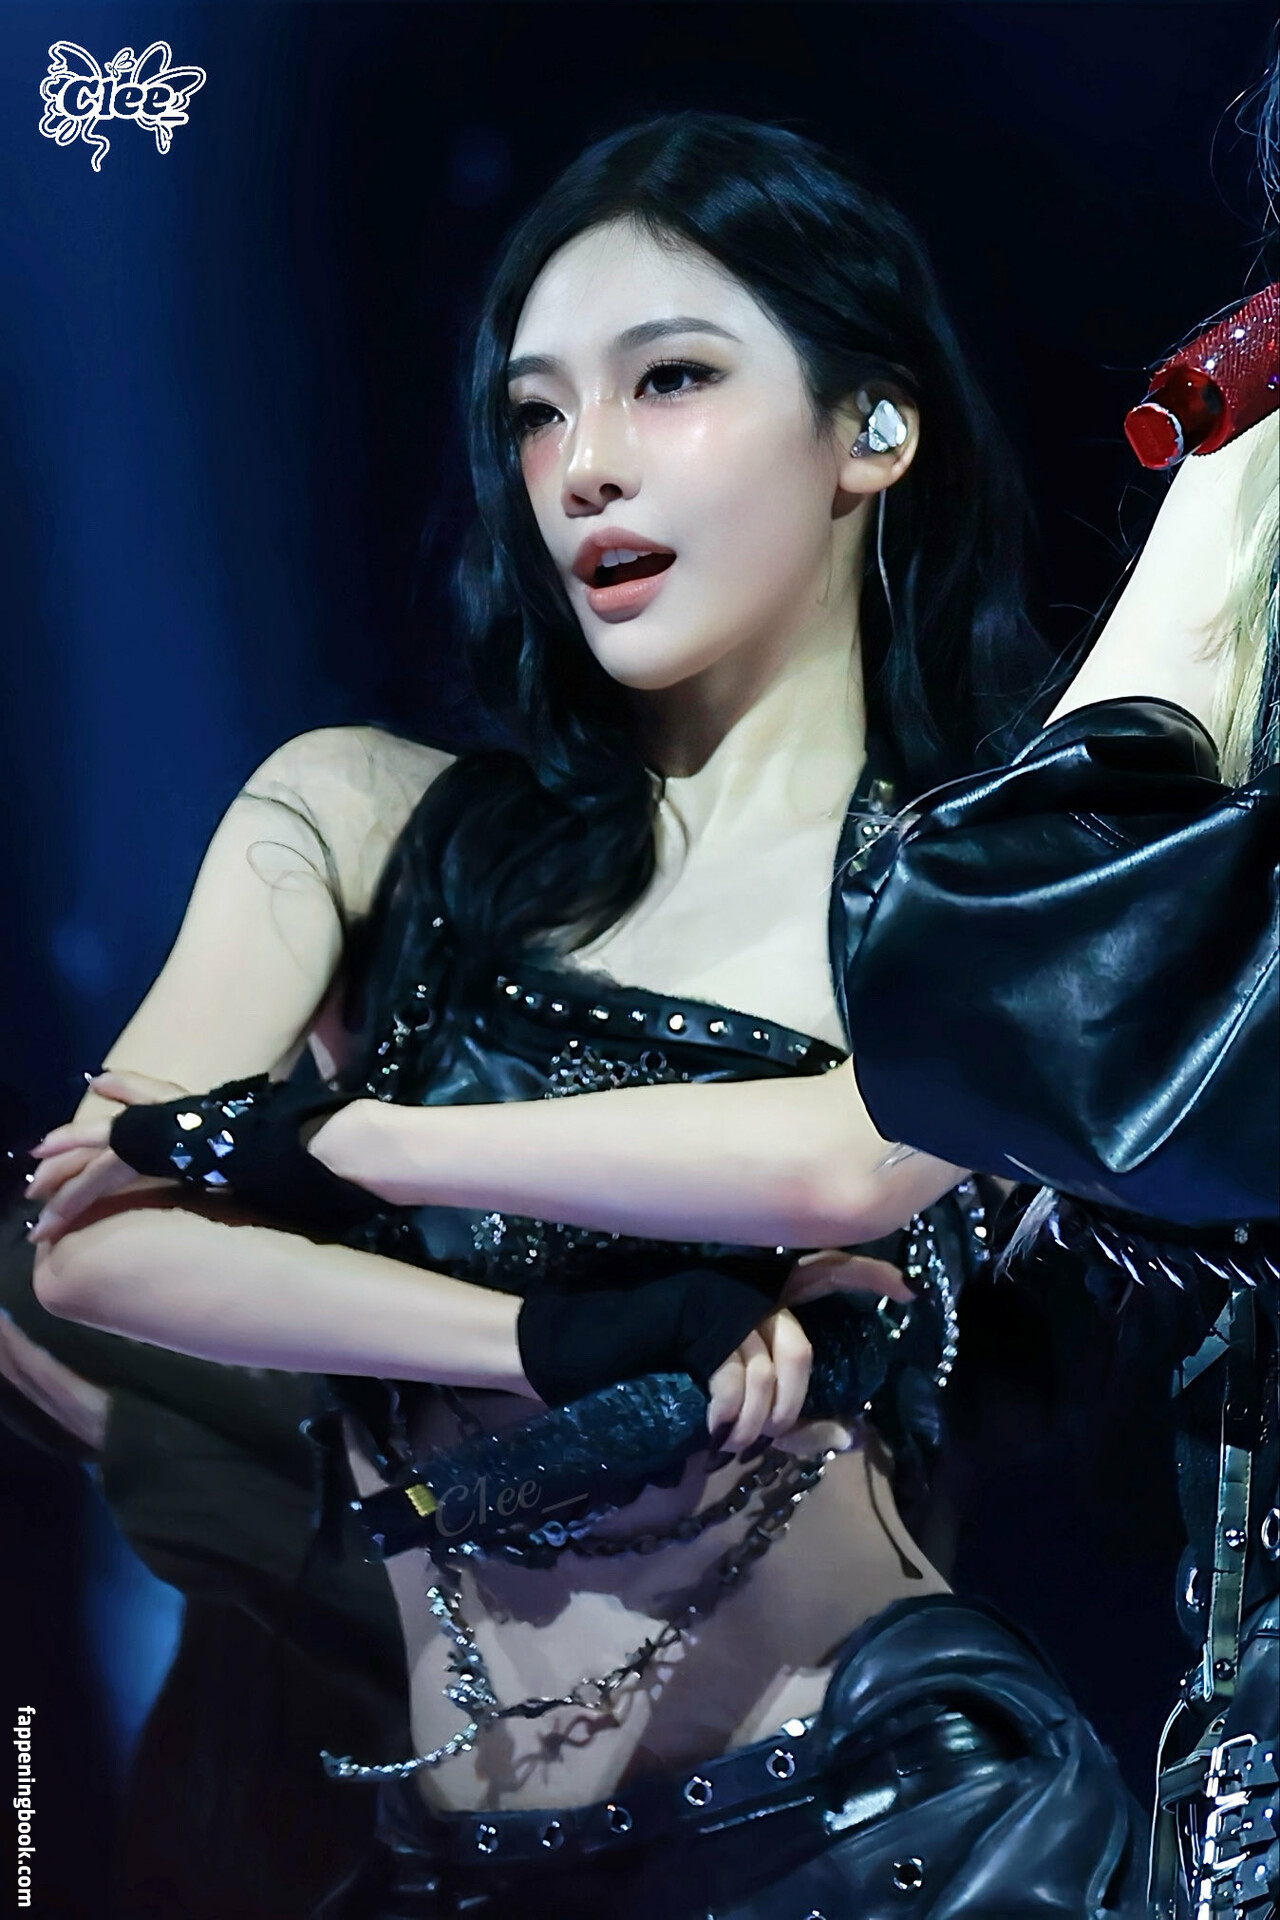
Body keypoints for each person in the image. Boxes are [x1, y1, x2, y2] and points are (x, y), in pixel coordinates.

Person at [26, 114, 1146, 1916]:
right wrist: (547, 1345)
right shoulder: (363, 820)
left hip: (895, 1836)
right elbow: (91, 1244)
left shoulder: (993, 882)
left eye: (670, 379)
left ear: (873, 429)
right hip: (455, 1861)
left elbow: (845, 1163)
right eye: (537, 413)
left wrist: (345, 1143)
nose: (584, 467)